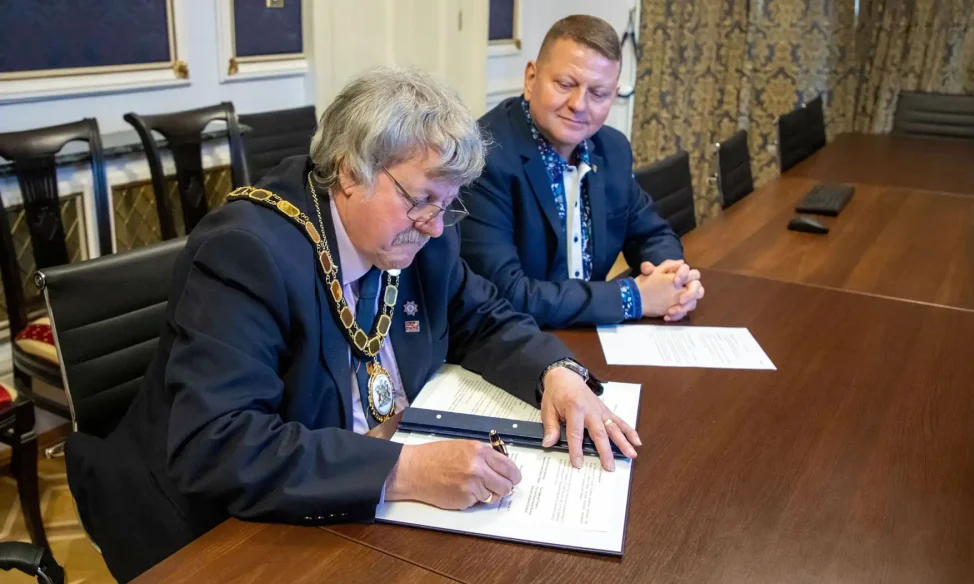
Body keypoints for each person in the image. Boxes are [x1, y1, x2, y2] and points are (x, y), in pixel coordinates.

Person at [65, 67, 641, 582]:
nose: (436, 227)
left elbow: (483, 316)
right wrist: (405, 471)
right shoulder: (246, 253)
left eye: (448, 205)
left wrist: (557, 374)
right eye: (421, 201)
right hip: (213, 531)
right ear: (348, 172)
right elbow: (218, 445)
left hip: (358, 506)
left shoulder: (423, 236)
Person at [459, 15, 705, 329]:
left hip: (591, 334)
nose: (579, 104)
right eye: (565, 84)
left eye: (598, 93)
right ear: (531, 78)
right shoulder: (484, 158)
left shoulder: (612, 150)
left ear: (613, 96)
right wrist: (633, 297)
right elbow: (505, 294)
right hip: (514, 342)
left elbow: (652, 233)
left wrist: (672, 278)